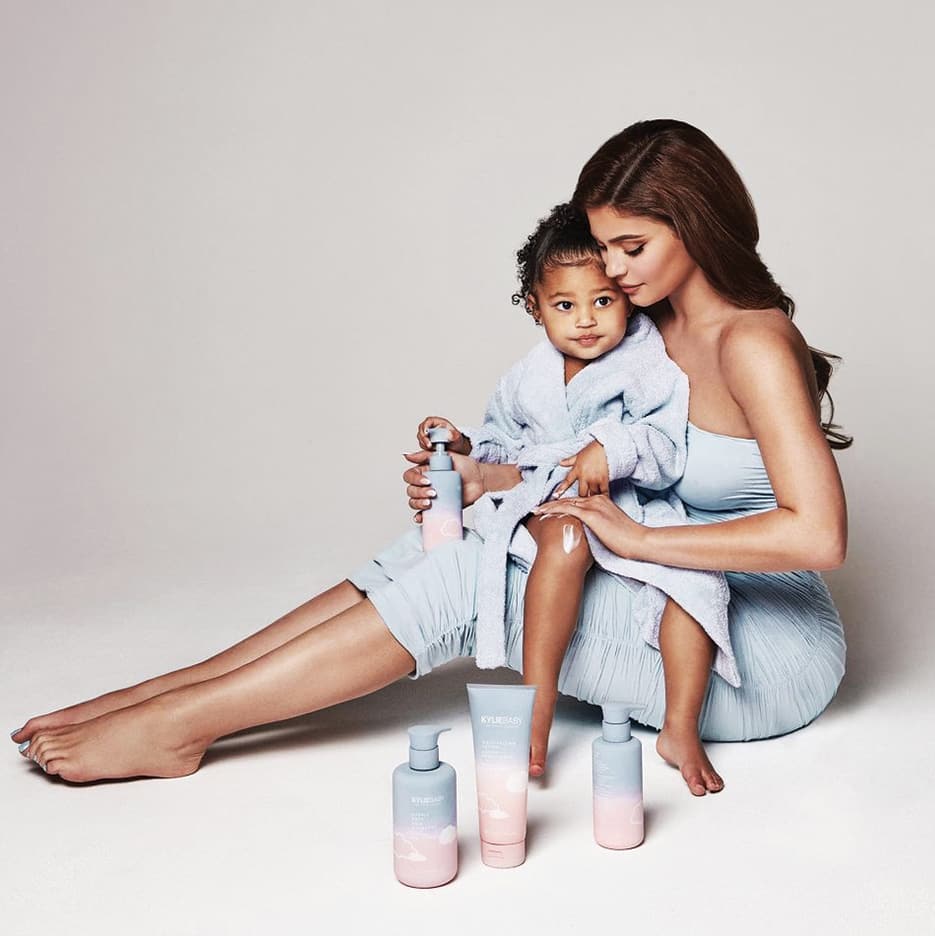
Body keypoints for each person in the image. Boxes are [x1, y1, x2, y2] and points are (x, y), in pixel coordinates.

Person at [11, 119, 848, 798]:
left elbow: (817, 537)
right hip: (668, 592)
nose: (614, 270)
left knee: (468, 578)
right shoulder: (646, 323)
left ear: (693, 225)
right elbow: (575, 459)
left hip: (757, 650)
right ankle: (175, 690)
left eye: (632, 246)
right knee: (458, 536)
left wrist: (636, 538)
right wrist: (483, 477)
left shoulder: (750, 343)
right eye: (604, 247)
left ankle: (181, 727)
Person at [410, 202, 734, 783]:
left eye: (602, 301)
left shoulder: (646, 360)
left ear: (627, 299)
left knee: (696, 582)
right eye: (565, 305)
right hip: (549, 500)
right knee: (565, 537)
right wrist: (465, 443)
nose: (586, 320)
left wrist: (613, 448)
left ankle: (680, 726)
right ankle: (536, 709)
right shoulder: (527, 375)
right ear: (535, 307)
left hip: (632, 506)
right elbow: (505, 440)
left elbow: (666, 442)